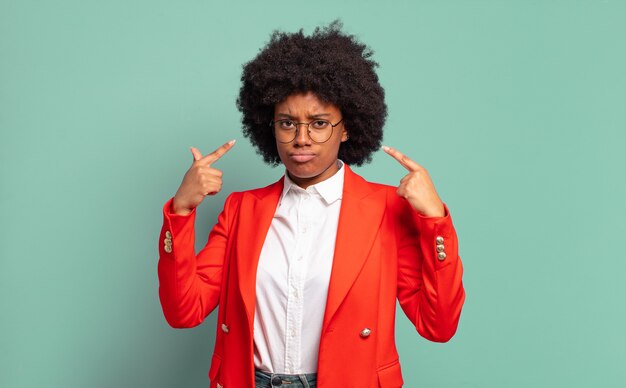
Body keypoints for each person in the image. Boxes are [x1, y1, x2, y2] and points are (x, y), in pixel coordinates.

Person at [158, 21, 465, 388]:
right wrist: (180, 211)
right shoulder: (242, 210)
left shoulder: (386, 208)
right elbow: (183, 311)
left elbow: (438, 325)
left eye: (319, 123)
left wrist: (434, 219)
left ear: (346, 127)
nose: (301, 139)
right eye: (287, 123)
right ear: (269, 126)